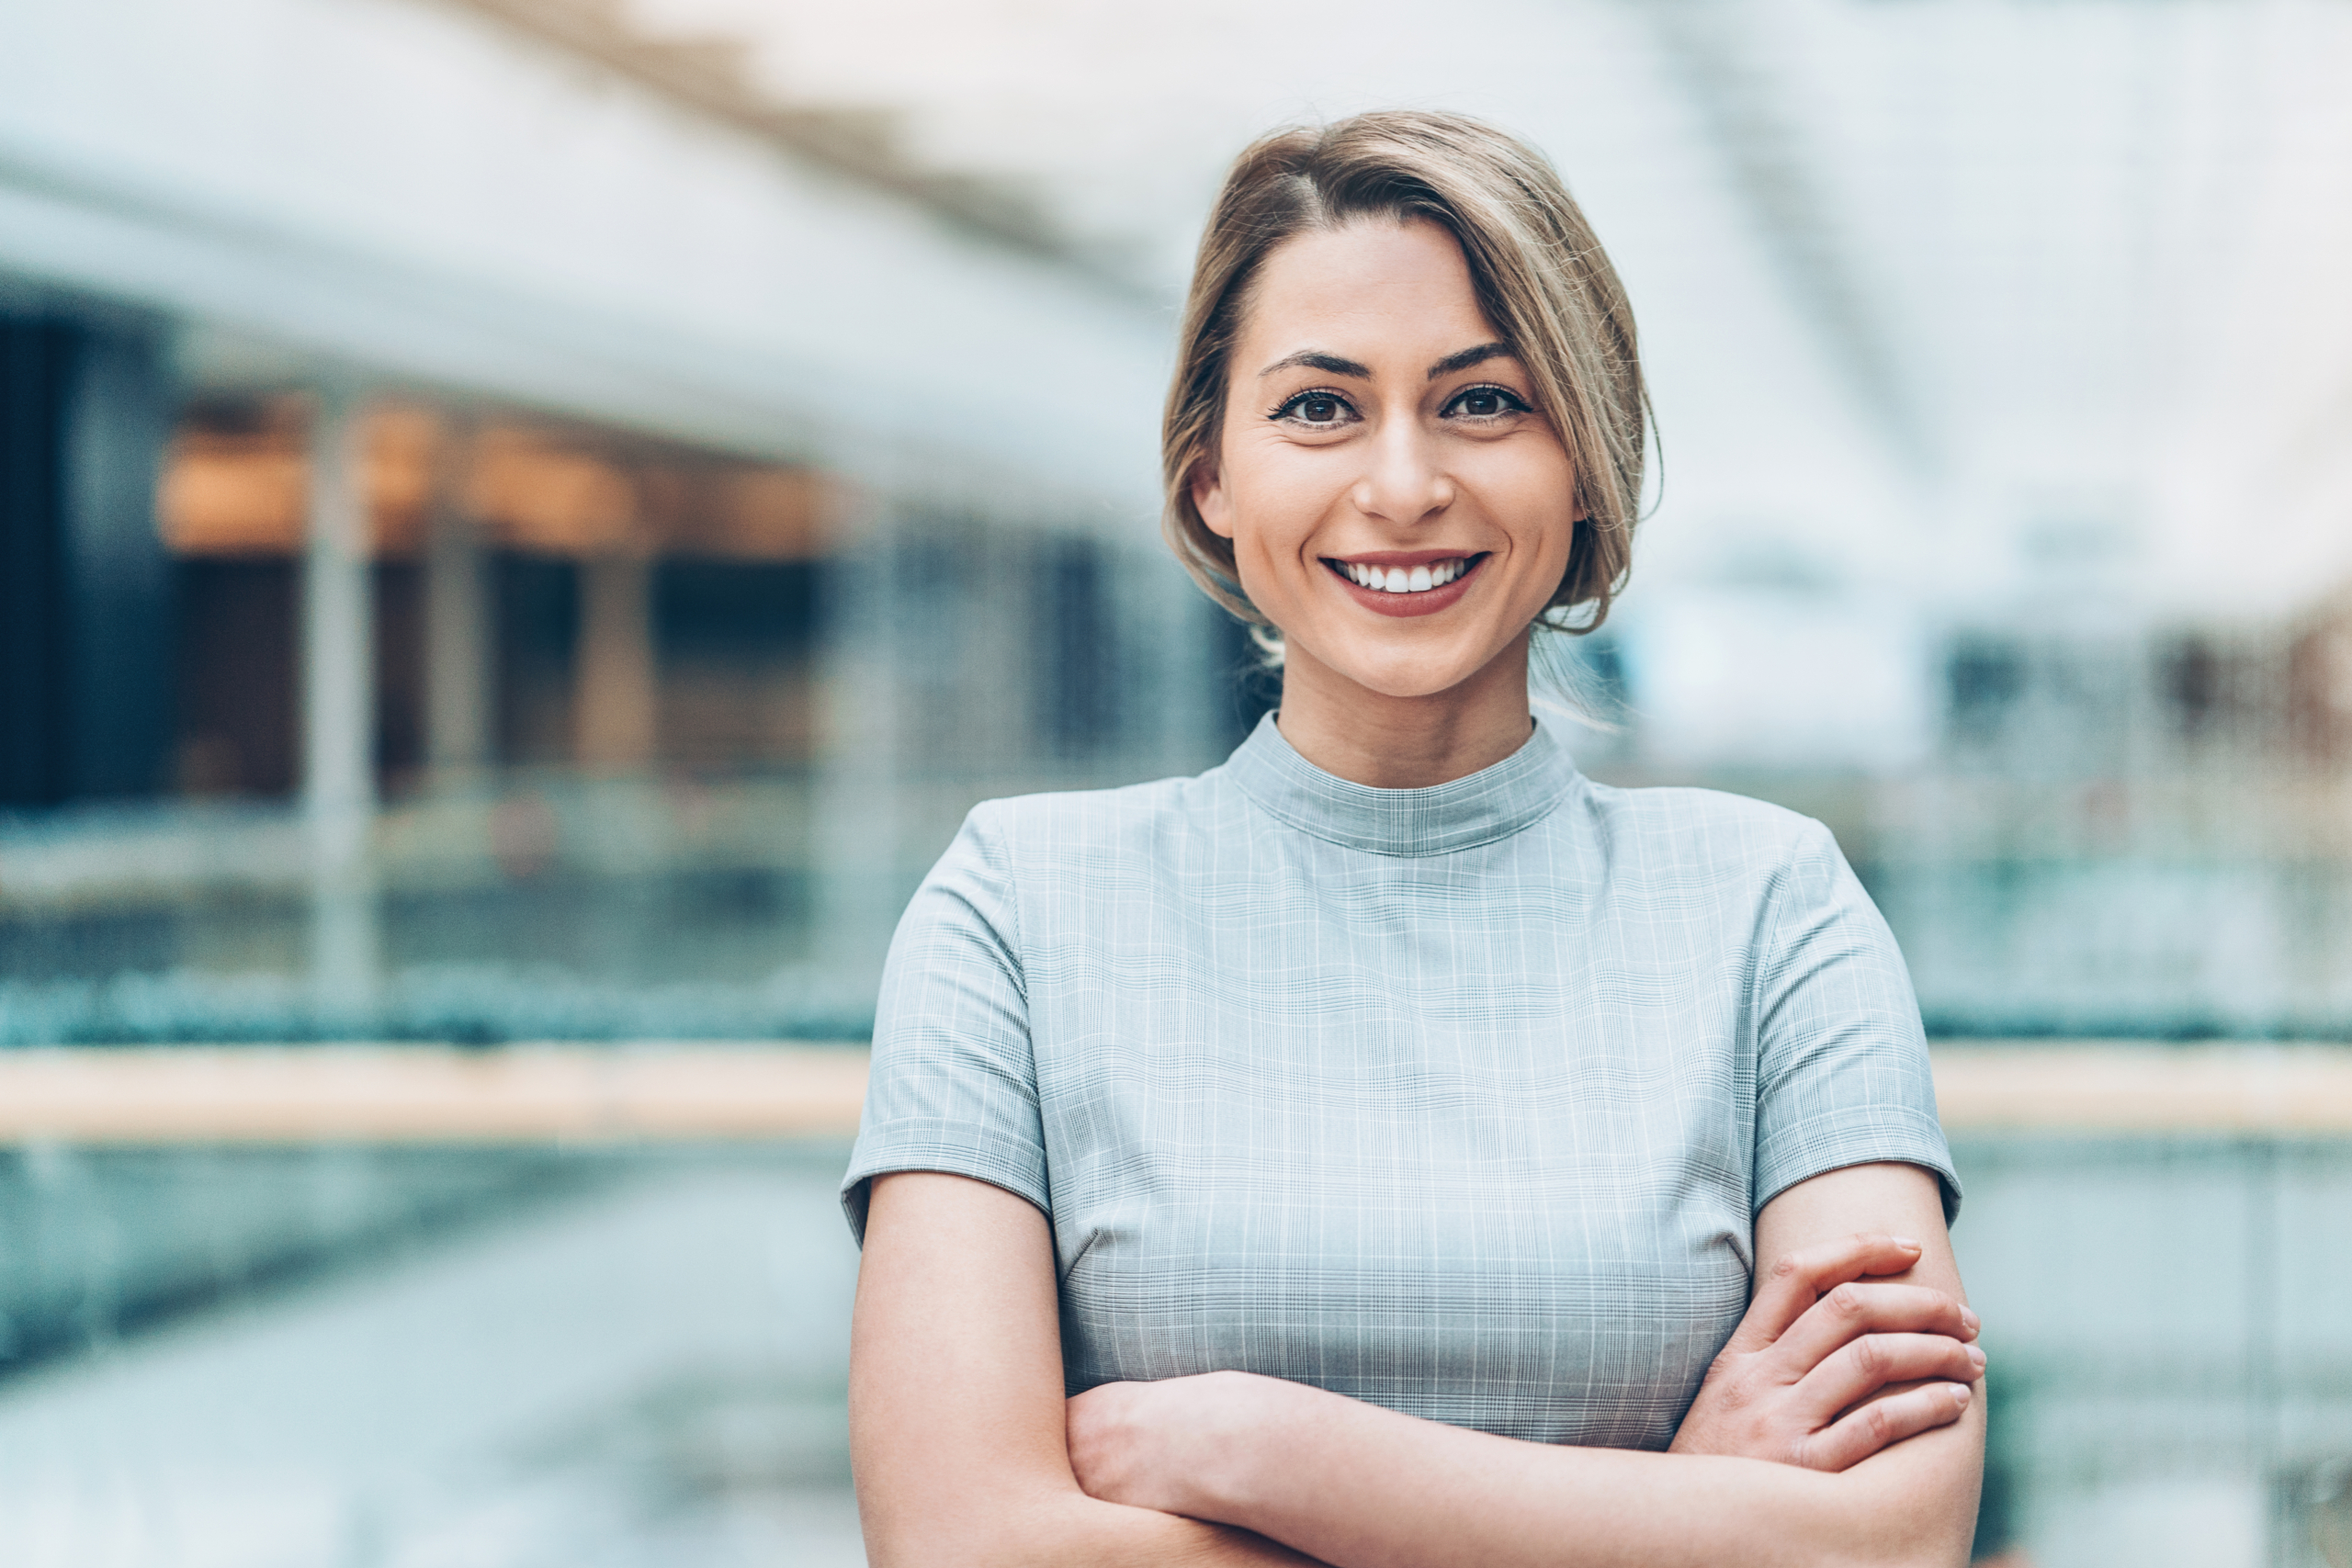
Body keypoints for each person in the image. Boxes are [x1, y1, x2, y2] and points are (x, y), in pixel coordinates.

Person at [842, 110, 1985, 1568]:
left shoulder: (1773, 905)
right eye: (1319, 407)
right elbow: (964, 1548)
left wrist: (1262, 1449)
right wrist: (1670, 1516)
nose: (1401, 484)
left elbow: (1882, 1547)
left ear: (1583, 469)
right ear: (1211, 474)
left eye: (1484, 403)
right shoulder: (1013, 905)